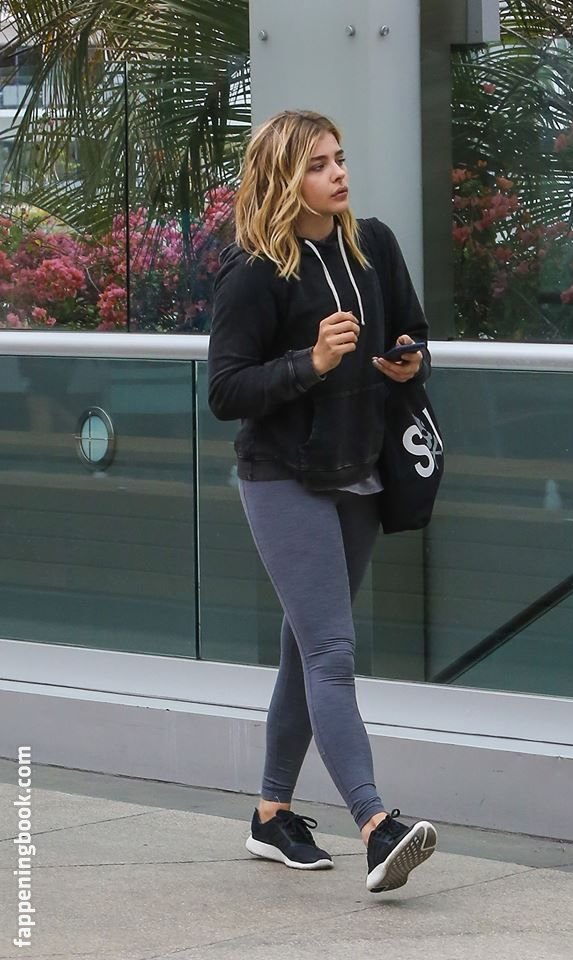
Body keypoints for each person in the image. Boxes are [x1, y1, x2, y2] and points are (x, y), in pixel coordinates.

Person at [208, 109, 437, 894]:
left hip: (360, 474)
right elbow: (226, 390)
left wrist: (409, 361)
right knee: (332, 653)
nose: (338, 173)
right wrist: (309, 362)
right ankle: (377, 826)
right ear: (283, 178)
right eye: (317, 164)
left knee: (304, 649)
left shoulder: (372, 245)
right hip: (283, 477)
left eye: (339, 158)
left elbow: (414, 333)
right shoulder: (253, 271)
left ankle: (271, 815)